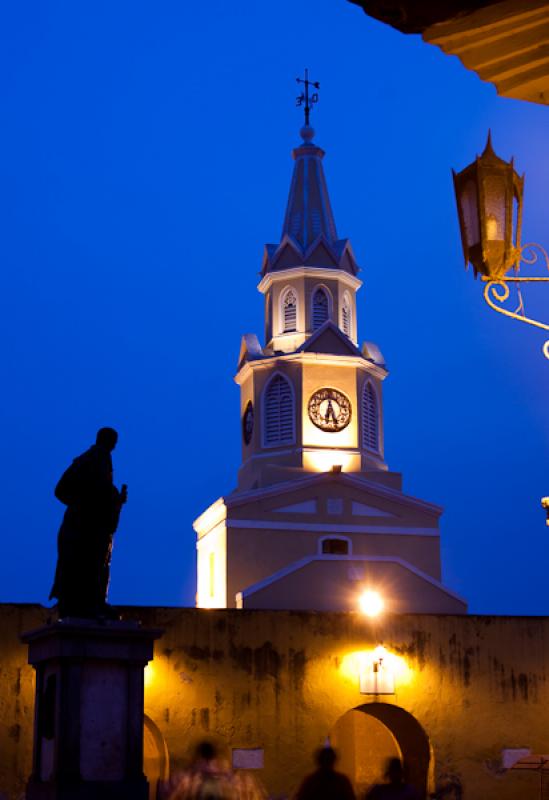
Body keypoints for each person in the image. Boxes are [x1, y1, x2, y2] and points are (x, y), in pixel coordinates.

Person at [49, 427, 127, 618]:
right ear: (104, 440)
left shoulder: (103, 460)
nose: (115, 445)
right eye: (112, 440)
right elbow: (61, 490)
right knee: (81, 564)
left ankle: (95, 603)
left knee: (97, 564)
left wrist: (116, 500)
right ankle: (83, 605)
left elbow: (103, 494)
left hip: (96, 527)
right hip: (82, 527)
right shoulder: (88, 459)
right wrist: (83, 505)